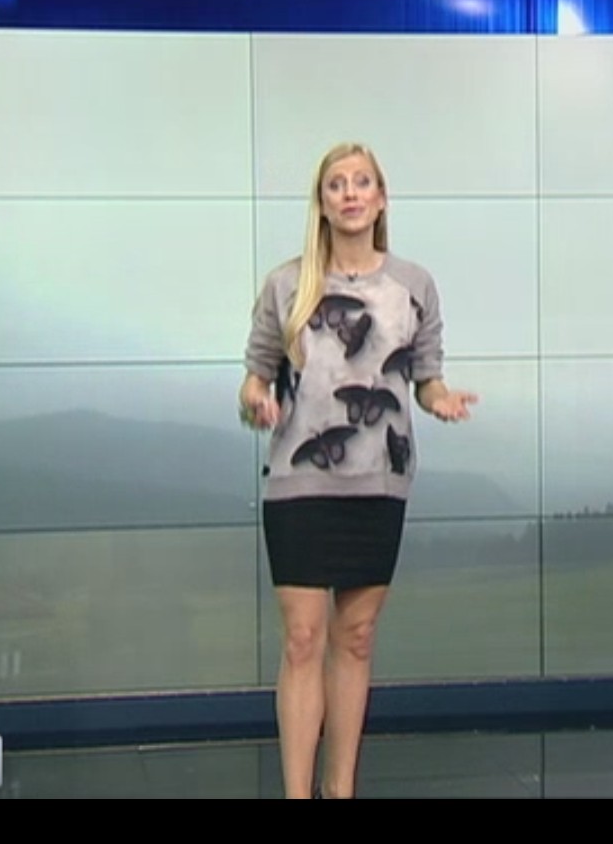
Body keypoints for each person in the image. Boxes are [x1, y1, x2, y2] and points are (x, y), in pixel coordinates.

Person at [239, 142, 478, 799]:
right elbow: (254, 377)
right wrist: (256, 401)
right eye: (336, 184)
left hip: (379, 479)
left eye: (361, 182)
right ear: (321, 203)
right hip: (298, 482)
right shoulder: (286, 285)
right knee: (302, 639)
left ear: (381, 198)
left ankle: (339, 789)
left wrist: (441, 400)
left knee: (358, 636)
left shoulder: (414, 285)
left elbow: (427, 378)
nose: (349, 193)